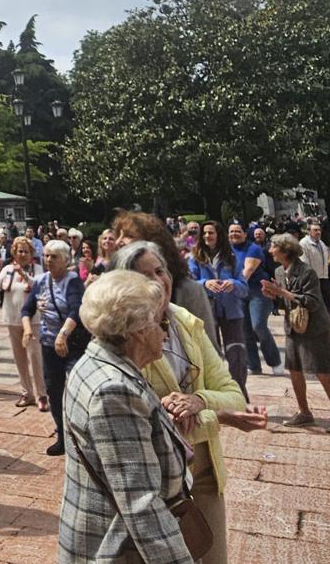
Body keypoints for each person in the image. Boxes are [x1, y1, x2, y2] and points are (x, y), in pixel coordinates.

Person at [115, 242, 252, 564]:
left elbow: (234, 395)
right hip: (156, 480)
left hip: (204, 469)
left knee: (214, 556)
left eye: (160, 271)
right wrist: (219, 417)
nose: (157, 282)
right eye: (143, 275)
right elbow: (143, 420)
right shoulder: (120, 338)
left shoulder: (185, 321)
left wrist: (197, 399)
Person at [58, 270, 195, 564]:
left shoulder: (97, 361)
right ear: (138, 331)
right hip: (116, 547)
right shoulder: (114, 391)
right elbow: (141, 503)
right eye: (161, 322)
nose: (166, 333)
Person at [263, 233, 330, 433]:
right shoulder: (279, 272)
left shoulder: (306, 272)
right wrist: (273, 296)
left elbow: (313, 302)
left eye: (273, 247)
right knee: (294, 370)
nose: (270, 250)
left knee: (322, 370)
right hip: (293, 327)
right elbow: (285, 303)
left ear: (285, 251)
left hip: (315, 328)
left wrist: (283, 293)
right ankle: (304, 412)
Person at [112, 210, 220, 352]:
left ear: (153, 243)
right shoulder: (114, 289)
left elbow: (209, 349)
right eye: (118, 235)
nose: (119, 242)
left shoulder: (186, 290)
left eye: (128, 236)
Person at [22, 240, 86, 455]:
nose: (48, 260)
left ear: (66, 260)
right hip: (49, 345)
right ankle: (62, 436)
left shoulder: (73, 281)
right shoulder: (41, 281)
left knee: (78, 388)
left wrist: (63, 334)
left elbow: (76, 309)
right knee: (54, 390)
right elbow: (26, 308)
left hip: (72, 344)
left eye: (54, 257)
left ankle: (84, 435)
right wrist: (27, 329)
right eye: (46, 256)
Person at [188, 222, 250, 398]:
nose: (207, 236)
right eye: (205, 233)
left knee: (236, 353)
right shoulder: (195, 258)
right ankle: (215, 394)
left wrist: (234, 284)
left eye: (211, 233)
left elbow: (244, 287)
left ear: (219, 235)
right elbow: (189, 284)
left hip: (232, 312)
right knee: (210, 355)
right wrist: (205, 283)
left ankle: (239, 393)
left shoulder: (231, 257)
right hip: (207, 311)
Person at [0, 236, 47, 408]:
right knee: (19, 358)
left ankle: (41, 395)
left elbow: (38, 286)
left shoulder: (37, 269)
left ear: (31, 253)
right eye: (19, 251)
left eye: (25, 251)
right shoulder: (7, 269)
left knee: (35, 357)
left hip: (33, 320)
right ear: (14, 253)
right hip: (13, 318)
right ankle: (26, 392)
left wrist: (23, 274)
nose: (22, 254)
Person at [230, 222, 284, 378]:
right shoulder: (227, 249)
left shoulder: (254, 248)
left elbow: (248, 270)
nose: (234, 234)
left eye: (238, 231)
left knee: (258, 326)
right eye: (231, 231)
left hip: (257, 291)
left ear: (245, 234)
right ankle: (253, 365)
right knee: (244, 330)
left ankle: (275, 362)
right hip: (238, 293)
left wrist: (232, 285)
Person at [299, 221, 330, 326]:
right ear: (308, 231)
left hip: (323, 276)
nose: (318, 232)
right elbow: (304, 262)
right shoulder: (304, 243)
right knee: (314, 300)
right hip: (312, 277)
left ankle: (328, 321)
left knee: (327, 299)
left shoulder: (322, 243)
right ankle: (315, 322)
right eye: (315, 230)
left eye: (319, 230)